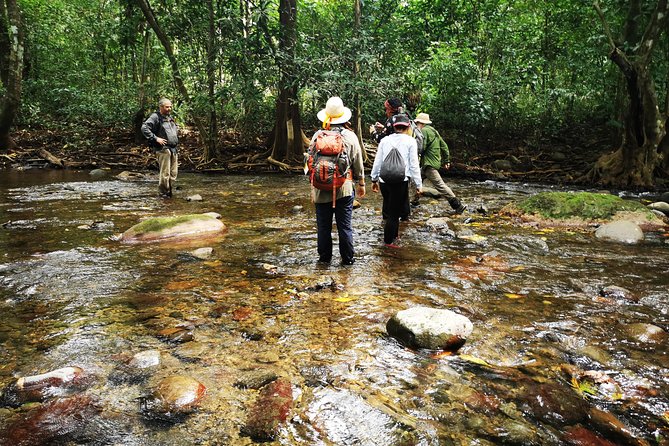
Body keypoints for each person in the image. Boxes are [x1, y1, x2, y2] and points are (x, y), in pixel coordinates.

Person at [308, 97, 366, 265]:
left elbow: (310, 162)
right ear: (343, 117)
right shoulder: (350, 136)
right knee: (345, 227)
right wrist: (361, 183)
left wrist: (312, 187)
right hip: (344, 188)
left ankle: (324, 261)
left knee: (323, 227)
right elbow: (358, 162)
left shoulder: (317, 136)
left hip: (320, 188)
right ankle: (347, 261)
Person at [370, 114, 422, 247]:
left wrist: (374, 179)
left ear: (394, 126)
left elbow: (378, 161)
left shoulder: (385, 140)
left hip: (384, 180)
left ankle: (394, 235)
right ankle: (388, 242)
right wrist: (418, 184)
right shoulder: (411, 141)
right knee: (394, 213)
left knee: (389, 208)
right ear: (408, 127)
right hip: (400, 181)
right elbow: (414, 164)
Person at [414, 113, 466, 213]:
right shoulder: (434, 131)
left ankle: (458, 206)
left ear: (419, 122)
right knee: (415, 182)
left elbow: (421, 148)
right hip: (431, 163)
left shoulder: (423, 131)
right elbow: (444, 146)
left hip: (428, 164)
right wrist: (447, 160)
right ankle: (414, 202)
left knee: (440, 185)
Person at [141, 98, 179, 197]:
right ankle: (163, 194)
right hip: (163, 149)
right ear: (161, 107)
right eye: (167, 107)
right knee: (165, 174)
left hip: (173, 149)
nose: (169, 108)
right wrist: (156, 138)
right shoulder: (155, 117)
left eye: (170, 106)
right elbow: (144, 128)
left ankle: (169, 193)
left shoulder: (169, 117)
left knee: (173, 174)